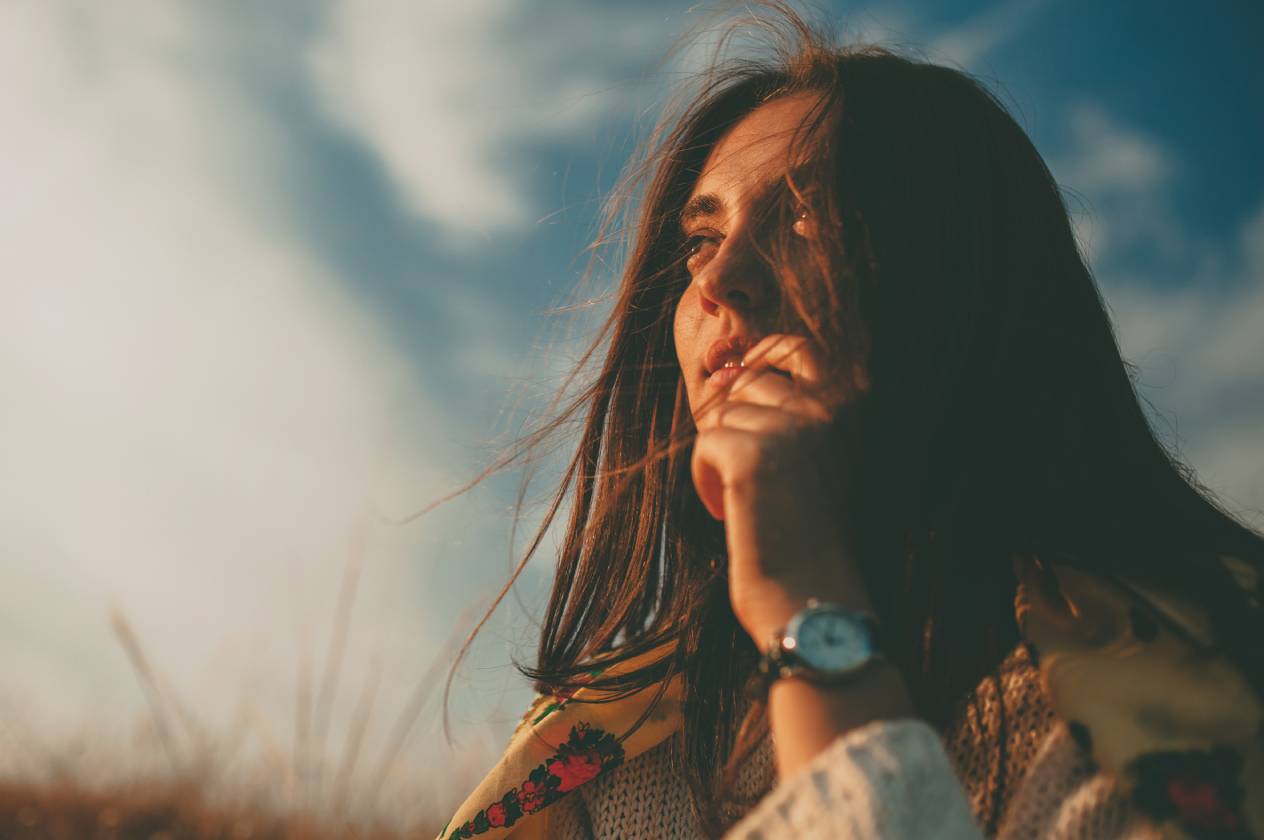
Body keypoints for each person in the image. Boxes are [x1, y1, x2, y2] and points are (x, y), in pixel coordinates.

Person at [437, 6, 1264, 840]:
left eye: (809, 216)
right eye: (699, 236)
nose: (719, 278)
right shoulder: (618, 745)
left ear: (967, 279)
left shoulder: (1203, 689)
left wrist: (809, 610)